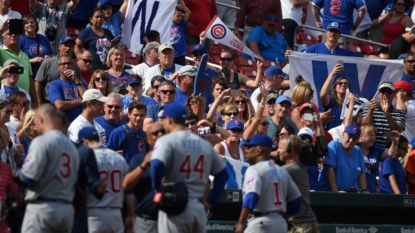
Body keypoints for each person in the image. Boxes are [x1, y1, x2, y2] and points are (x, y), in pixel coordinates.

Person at [150, 103, 229, 233]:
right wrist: (210, 202)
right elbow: (223, 175)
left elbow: (157, 165)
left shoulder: (167, 140)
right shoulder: (204, 144)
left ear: (169, 119)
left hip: (175, 205)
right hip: (198, 207)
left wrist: (157, 188)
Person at [13, 104, 80, 233]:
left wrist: (15, 174)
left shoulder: (42, 141)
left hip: (43, 207)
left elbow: (28, 176)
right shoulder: (72, 147)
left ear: (41, 119)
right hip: (66, 209)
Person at [235, 134, 301, 233]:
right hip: (280, 224)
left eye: (249, 147)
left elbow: (251, 196)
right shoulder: (281, 171)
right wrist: (282, 217)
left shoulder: (255, 169)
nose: (246, 150)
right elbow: (296, 199)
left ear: (258, 150)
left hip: (260, 223)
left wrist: (241, 222)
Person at [78, 126, 130, 233]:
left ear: (84, 141)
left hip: (93, 213)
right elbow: (129, 190)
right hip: (116, 214)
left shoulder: (87, 158)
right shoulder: (119, 158)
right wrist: (130, 214)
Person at [123, 122, 166, 233]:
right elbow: (127, 184)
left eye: (163, 132)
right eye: (156, 133)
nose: (160, 135)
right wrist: (144, 165)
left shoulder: (177, 158)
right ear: (148, 139)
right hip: (146, 221)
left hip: (172, 220)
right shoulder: (139, 159)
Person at [278, 135, 320, 233]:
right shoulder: (299, 167)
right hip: (309, 223)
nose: (278, 151)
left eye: (280, 148)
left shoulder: (288, 170)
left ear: (290, 150)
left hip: (299, 226)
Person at [318, 125, 368, 192]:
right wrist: (336, 192)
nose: (351, 140)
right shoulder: (334, 145)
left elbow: (362, 173)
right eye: (349, 136)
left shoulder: (358, 151)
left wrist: (364, 190)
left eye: (355, 138)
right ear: (343, 134)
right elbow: (329, 170)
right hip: (327, 193)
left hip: (347, 194)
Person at [35, 35, 82, 105]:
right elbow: (38, 82)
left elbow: (79, 85)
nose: (67, 48)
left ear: (73, 48)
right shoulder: (48, 62)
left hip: (69, 103)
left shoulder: (76, 67)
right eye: (65, 45)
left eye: (70, 46)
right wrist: (39, 102)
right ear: (59, 47)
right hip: (49, 103)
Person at [362, 82, 406, 147]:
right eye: (383, 91)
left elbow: (398, 130)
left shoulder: (399, 113)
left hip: (388, 149)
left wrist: (387, 114)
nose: (385, 93)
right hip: (371, 147)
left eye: (389, 91)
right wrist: (370, 111)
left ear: (394, 94)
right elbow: (363, 127)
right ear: (379, 94)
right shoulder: (370, 109)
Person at [0, 30, 37, 105]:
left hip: (23, 100)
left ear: (19, 38)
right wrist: (1, 30)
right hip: (5, 98)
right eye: (10, 33)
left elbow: (30, 79)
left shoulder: (25, 56)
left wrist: (36, 102)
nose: (13, 35)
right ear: (4, 38)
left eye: (16, 33)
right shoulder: (1, 51)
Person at [49, 54, 88, 124]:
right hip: (65, 125)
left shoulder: (81, 83)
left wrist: (76, 81)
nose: (66, 66)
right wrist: (81, 101)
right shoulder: (55, 84)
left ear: (73, 66)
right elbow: (60, 106)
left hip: (82, 124)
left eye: (69, 63)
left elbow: (88, 100)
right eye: (63, 64)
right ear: (58, 67)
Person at [356, 124, 392, 193]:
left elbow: (390, 153)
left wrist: (395, 142)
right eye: (371, 135)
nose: (374, 138)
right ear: (361, 136)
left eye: (374, 135)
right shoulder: (354, 148)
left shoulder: (375, 149)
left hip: (370, 191)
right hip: (354, 191)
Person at [18, 14, 52, 78]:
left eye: (32, 22)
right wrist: (33, 60)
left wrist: (48, 59)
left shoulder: (44, 38)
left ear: (36, 24)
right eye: (26, 23)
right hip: (28, 76)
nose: (29, 24)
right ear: (23, 26)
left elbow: (50, 55)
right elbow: (17, 60)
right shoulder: (20, 40)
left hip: (44, 75)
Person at [320, 64, 349, 130]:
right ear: (335, 88)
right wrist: (332, 74)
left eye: (346, 83)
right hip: (332, 135)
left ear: (349, 88)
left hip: (347, 136)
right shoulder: (332, 101)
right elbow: (323, 95)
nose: (343, 85)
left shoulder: (352, 103)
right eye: (340, 83)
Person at [0, 99, 23, 170]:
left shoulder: (12, 130)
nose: (10, 113)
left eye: (11, 111)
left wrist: (20, 153)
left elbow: (15, 160)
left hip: (10, 173)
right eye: (7, 111)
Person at [171, 1, 191, 66]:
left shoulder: (181, 25)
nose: (180, 18)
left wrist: (181, 2)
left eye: (181, 16)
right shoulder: (166, 27)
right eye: (178, 16)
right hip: (171, 54)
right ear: (172, 15)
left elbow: (188, 13)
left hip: (181, 55)